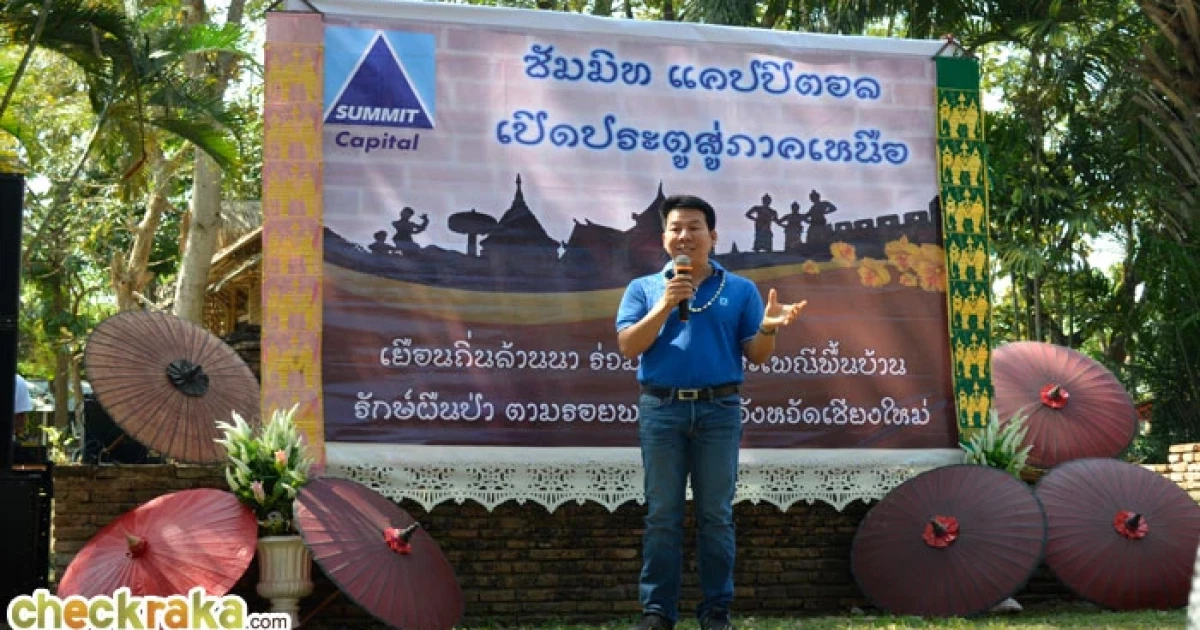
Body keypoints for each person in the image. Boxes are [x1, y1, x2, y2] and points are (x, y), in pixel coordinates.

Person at [615, 195, 806, 630]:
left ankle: (716, 610)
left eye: (694, 227)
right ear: (664, 238)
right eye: (676, 228)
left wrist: (769, 328)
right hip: (661, 410)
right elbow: (628, 346)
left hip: (719, 411)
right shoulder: (643, 288)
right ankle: (657, 611)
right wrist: (666, 303)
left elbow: (757, 355)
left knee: (715, 515)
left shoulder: (740, 290)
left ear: (713, 235)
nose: (685, 236)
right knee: (662, 514)